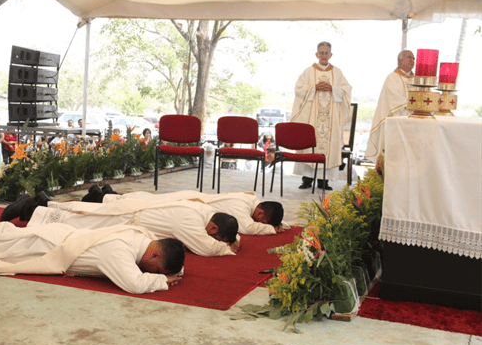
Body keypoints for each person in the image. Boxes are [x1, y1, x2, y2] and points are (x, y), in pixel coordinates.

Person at [0, 208, 186, 295]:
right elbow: (134, 284)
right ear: (156, 256)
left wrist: (173, 271)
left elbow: (165, 256)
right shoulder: (120, 252)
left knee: (0, 235)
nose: (149, 271)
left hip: (58, 239)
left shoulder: (140, 237)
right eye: (154, 268)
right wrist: (163, 281)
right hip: (49, 247)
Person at [0, 194, 240, 257]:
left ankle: (41, 202)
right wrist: (225, 249)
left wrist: (233, 240)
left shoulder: (201, 213)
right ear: (215, 229)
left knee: (82, 213)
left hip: (132, 212)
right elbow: (205, 248)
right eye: (216, 237)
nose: (212, 239)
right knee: (77, 221)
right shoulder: (191, 224)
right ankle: (28, 209)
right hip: (128, 218)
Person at [82, 187, 287, 235]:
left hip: (194, 199)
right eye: (264, 222)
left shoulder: (251, 199)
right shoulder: (241, 208)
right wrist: (273, 230)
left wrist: (280, 223)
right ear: (260, 214)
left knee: (148, 200)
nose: (260, 223)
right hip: (190, 202)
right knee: (144, 204)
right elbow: (248, 228)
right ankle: (100, 197)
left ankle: (108, 194)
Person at [291, 41, 352, 191]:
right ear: (316, 54)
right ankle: (307, 179)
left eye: (327, 52)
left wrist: (333, 89)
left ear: (331, 55)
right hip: (311, 119)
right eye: (321, 52)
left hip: (331, 119)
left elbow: (346, 90)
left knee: (328, 145)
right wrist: (314, 88)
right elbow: (298, 89)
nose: (324, 55)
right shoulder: (308, 72)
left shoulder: (337, 72)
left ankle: (324, 181)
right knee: (310, 145)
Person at [365, 50, 416, 163]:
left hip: (414, 122)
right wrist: (412, 104)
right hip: (396, 121)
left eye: (413, 58)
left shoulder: (417, 80)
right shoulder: (392, 78)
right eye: (409, 57)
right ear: (400, 60)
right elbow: (392, 99)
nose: (412, 60)